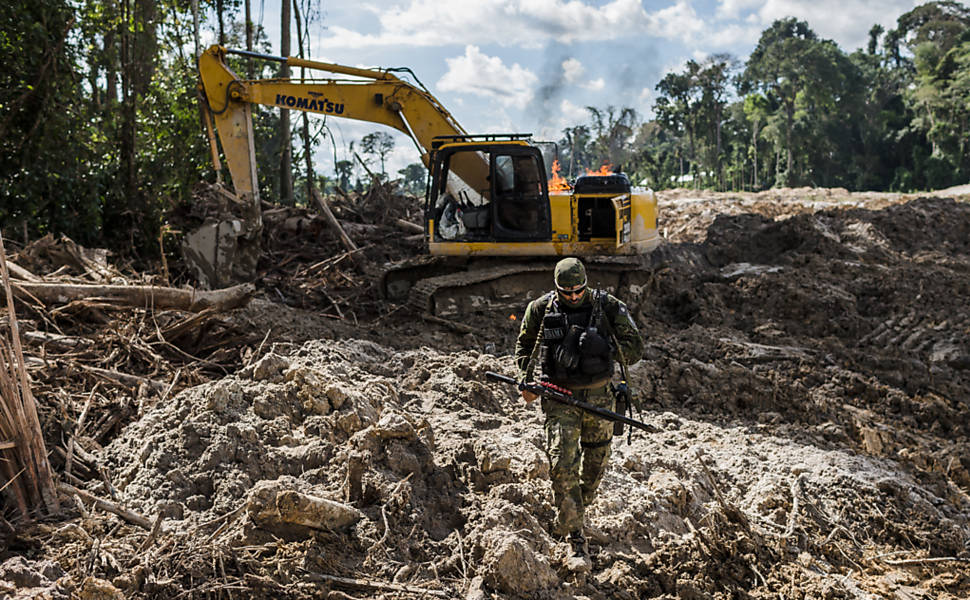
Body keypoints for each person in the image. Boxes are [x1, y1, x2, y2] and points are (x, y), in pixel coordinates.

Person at [514, 257, 644, 573]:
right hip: (559, 397)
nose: (573, 297)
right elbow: (524, 349)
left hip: (600, 397)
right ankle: (575, 537)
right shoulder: (540, 309)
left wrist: (604, 348)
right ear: (556, 288)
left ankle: (573, 516)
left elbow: (635, 348)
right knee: (561, 464)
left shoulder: (608, 306)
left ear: (586, 284)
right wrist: (526, 380)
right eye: (566, 292)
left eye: (578, 291)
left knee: (595, 469)